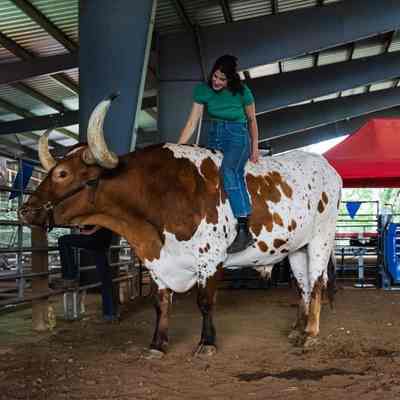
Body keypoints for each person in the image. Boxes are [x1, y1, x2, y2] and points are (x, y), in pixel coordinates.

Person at [178, 54, 260, 253]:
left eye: (222, 79)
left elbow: (252, 120)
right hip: (214, 135)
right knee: (206, 175)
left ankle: (244, 230)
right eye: (215, 76)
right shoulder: (202, 90)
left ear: (230, 79)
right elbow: (192, 121)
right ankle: (210, 220)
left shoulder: (243, 92)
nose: (217, 81)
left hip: (237, 136)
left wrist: (255, 148)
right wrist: (178, 146)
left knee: (229, 172)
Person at [55, 226, 119, 321]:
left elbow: (101, 221)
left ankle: (70, 276)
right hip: (104, 239)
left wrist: (90, 231)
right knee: (105, 277)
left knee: (63, 240)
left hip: (95, 237)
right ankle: (110, 313)